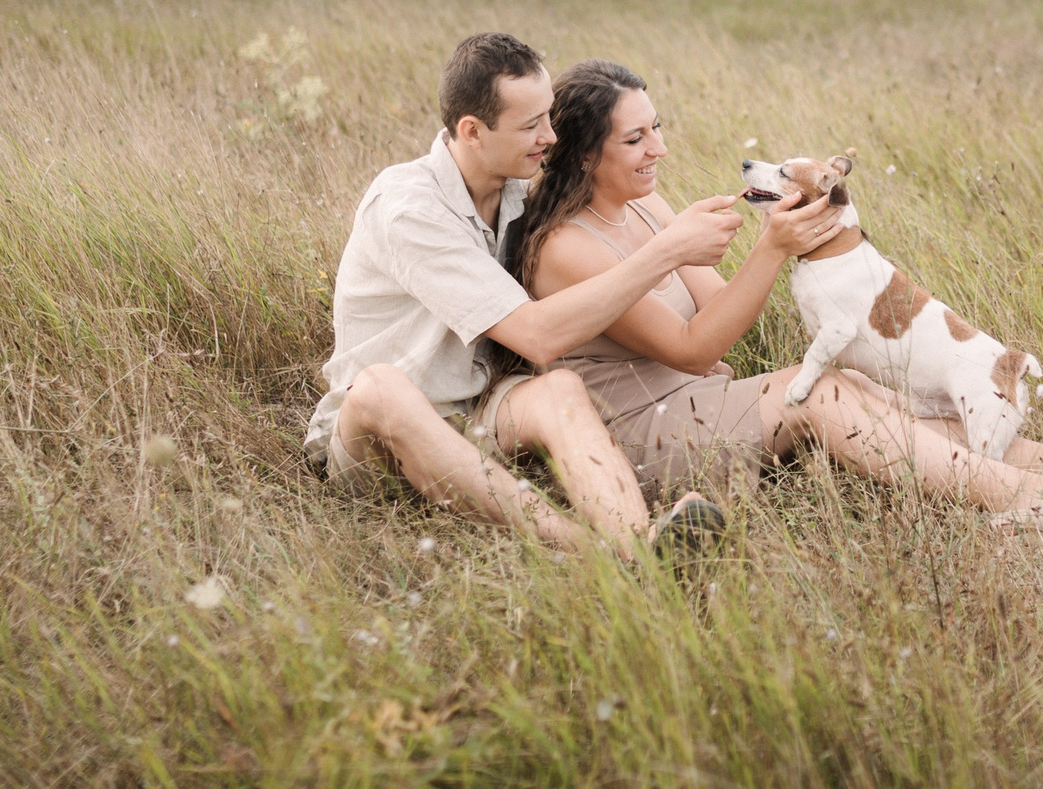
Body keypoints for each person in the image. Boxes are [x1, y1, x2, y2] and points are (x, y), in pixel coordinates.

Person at [498, 59, 1043, 523]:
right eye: (637, 137)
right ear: (587, 154)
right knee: (822, 390)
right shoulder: (564, 246)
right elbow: (692, 345)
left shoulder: (645, 206)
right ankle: (1035, 500)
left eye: (659, 127)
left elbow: (717, 310)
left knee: (875, 387)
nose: (659, 149)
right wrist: (771, 247)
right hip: (640, 437)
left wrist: (801, 240)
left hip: (699, 397)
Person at [305, 32, 833, 554]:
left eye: (550, 117)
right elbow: (535, 335)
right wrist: (668, 251)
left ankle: (641, 541)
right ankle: (596, 550)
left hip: (481, 411)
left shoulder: (515, 188)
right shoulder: (410, 211)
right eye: (532, 125)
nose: (551, 137)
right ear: (472, 131)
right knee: (379, 387)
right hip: (382, 435)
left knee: (558, 389)